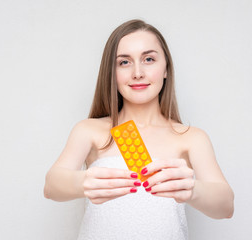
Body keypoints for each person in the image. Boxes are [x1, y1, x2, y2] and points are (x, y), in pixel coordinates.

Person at [44, 19, 234, 240]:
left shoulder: (190, 138)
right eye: (124, 62)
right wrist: (83, 182)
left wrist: (192, 189)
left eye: (149, 59)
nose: (137, 73)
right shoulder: (90, 131)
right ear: (111, 73)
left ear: (166, 69)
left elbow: (226, 206)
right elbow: (51, 185)